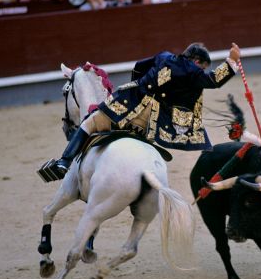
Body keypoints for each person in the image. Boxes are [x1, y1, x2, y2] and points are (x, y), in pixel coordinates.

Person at [37, 43, 242, 181]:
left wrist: (138, 85)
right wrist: (231, 61)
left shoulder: (163, 56)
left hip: (128, 104)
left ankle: (64, 162)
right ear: (197, 61)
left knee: (89, 123)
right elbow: (213, 80)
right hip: (152, 122)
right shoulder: (194, 72)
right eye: (203, 66)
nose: (202, 70)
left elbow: (138, 67)